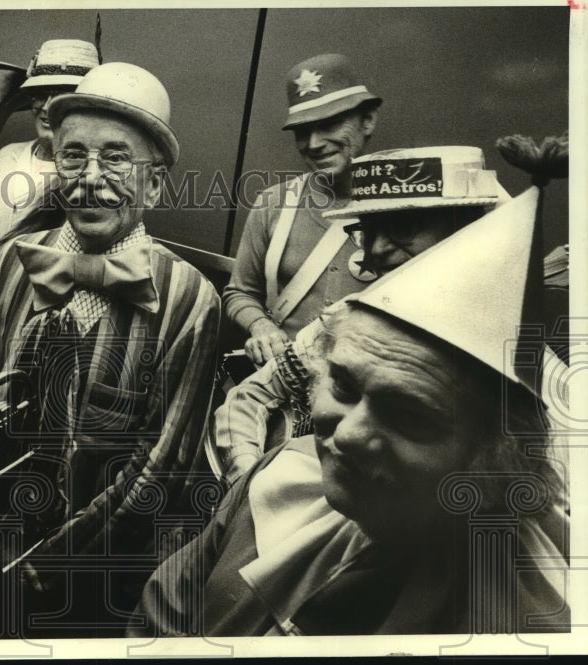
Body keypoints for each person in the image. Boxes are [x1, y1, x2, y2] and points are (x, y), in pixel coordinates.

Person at [131, 187, 569, 636]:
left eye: (409, 416)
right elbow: (162, 619)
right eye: (342, 386)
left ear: (498, 459)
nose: (348, 435)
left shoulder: (522, 622)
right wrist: (244, 485)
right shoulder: (278, 476)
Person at [0, 62, 220, 634]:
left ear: (155, 184)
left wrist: (56, 559)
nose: (90, 178)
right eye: (73, 156)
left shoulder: (192, 299)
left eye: (116, 158)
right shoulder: (10, 262)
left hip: (101, 580)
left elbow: (162, 463)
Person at [214, 146, 508, 483]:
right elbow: (247, 398)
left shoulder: (506, 355)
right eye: (368, 231)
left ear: (466, 232)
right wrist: (249, 484)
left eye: (403, 228)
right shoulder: (343, 320)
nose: (377, 249)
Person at [224, 53, 382, 366]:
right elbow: (239, 292)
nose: (313, 143)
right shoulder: (273, 203)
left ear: (368, 120)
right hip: (281, 382)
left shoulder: (404, 214)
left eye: (330, 123)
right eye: (302, 131)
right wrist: (261, 325)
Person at [0, 39, 101, 297]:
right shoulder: (7, 156)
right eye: (40, 93)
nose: (46, 105)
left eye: (60, 94)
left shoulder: (96, 175)